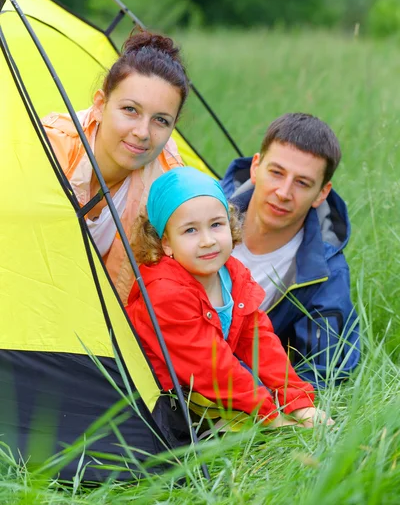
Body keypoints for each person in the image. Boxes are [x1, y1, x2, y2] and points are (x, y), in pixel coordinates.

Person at [126, 166, 333, 428]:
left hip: (201, 390)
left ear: (230, 222)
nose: (208, 240)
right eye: (190, 230)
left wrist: (299, 401)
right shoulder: (165, 293)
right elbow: (214, 369)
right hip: (157, 402)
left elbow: (258, 341)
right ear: (166, 243)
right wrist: (272, 417)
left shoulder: (232, 274)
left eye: (216, 224)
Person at [42, 31, 187, 304]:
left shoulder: (167, 184)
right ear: (100, 104)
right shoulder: (48, 148)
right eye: (130, 110)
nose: (143, 132)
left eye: (161, 120)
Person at [221, 113, 360, 387]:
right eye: (276, 173)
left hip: (231, 393)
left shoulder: (325, 273)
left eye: (302, 183)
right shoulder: (200, 212)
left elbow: (320, 373)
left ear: (322, 193)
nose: (283, 192)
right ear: (256, 167)